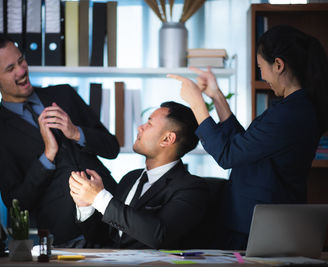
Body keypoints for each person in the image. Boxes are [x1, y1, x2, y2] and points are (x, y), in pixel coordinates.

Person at [168, 25, 328, 249]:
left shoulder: (290, 114)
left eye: (261, 67)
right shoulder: (294, 109)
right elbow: (243, 147)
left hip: (262, 227)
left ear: (279, 65)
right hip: (259, 221)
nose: (262, 76)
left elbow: (227, 155)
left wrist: (197, 104)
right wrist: (216, 95)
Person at [0, 33, 119, 246]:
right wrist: (48, 155)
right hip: (69, 237)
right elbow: (17, 205)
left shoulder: (64, 94)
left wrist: (75, 132)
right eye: (10, 69)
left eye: (21, 61)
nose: (22, 71)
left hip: (115, 219)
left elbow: (112, 148)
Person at [68, 101, 211, 249]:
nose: (140, 127)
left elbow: (159, 235)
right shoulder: (130, 178)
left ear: (167, 139)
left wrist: (99, 198)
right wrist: (85, 206)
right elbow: (103, 238)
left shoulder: (192, 188)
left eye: (149, 124)